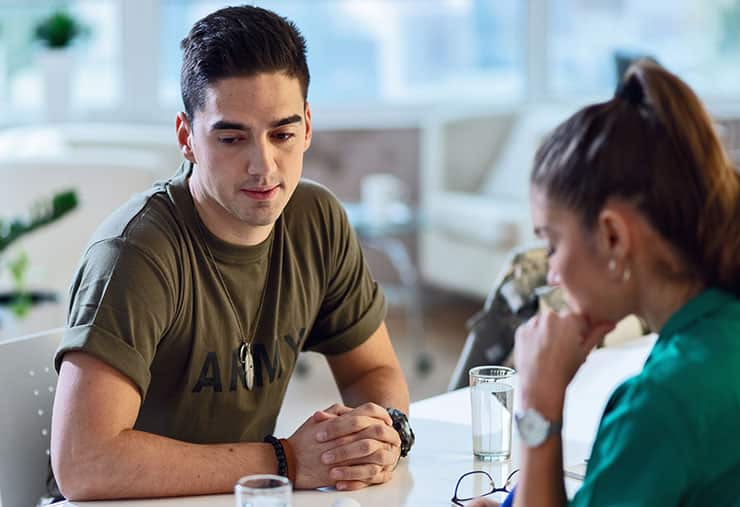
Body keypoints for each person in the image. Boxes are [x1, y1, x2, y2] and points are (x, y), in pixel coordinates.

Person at [48, 5, 412, 501]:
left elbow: (372, 371)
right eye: (232, 137)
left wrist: (384, 431)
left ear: (307, 127)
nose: (264, 166)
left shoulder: (316, 219)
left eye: (282, 134)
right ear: (187, 138)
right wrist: (286, 460)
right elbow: (83, 463)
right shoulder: (136, 253)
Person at [471, 60, 740, 506]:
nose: (552, 273)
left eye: (553, 243)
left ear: (614, 236)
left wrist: (539, 406)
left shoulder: (659, 406)